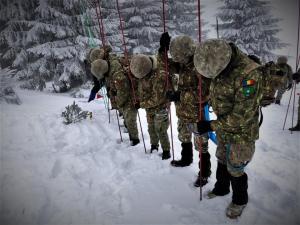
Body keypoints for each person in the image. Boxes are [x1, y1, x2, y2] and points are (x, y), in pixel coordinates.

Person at [193, 39, 265, 218]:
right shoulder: (219, 62)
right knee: (222, 158)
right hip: (224, 127)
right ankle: (221, 188)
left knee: (235, 166)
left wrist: (210, 125)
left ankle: (240, 200)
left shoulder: (249, 74)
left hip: (242, 132)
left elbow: (241, 117)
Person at [165, 35, 211, 187]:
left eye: (179, 56)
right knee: (183, 136)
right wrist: (162, 50)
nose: (177, 60)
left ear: (187, 53)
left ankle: (204, 173)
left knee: (201, 145)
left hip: (197, 114)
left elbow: (204, 92)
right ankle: (186, 159)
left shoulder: (200, 65)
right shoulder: (183, 64)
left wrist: (179, 95)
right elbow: (166, 65)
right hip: (183, 112)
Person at [130, 53, 171, 159]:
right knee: (151, 128)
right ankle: (154, 146)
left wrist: (141, 104)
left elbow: (157, 98)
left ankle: (166, 151)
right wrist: (139, 100)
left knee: (161, 130)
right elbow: (142, 90)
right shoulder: (142, 72)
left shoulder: (159, 75)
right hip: (149, 108)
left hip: (160, 107)